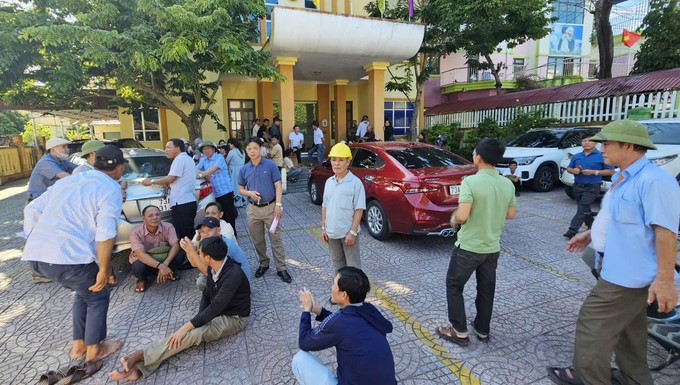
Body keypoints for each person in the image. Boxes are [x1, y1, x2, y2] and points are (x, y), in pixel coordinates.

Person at [547, 120, 680, 385]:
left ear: (629, 145)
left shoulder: (655, 181)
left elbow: (666, 233)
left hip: (629, 275)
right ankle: (635, 379)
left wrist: (665, 281)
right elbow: (616, 218)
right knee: (629, 330)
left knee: (592, 322)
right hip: (616, 267)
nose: (601, 148)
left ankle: (589, 377)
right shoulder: (623, 175)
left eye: (607, 144)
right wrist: (591, 235)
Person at [23, 145, 126, 368]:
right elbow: (106, 232)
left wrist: (37, 240)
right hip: (69, 257)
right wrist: (104, 269)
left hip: (38, 256)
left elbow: (31, 209)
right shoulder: (110, 188)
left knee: (84, 291)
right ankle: (94, 351)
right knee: (98, 294)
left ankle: (78, 346)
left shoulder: (68, 181)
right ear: (119, 168)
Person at [108, 236, 250, 382]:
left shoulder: (233, 275)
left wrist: (187, 327)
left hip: (234, 318)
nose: (197, 256)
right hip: (221, 310)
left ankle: (140, 355)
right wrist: (197, 319)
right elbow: (207, 294)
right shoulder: (215, 267)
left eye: (199, 253)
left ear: (208, 257)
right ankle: (138, 370)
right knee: (190, 331)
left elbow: (215, 307)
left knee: (192, 334)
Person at [437, 138, 516, 346]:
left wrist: (453, 219)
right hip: (492, 247)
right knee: (486, 289)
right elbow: (510, 214)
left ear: (478, 158)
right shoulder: (507, 183)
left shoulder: (470, 182)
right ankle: (482, 329)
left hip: (469, 247)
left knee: (454, 285)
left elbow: (462, 216)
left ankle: (459, 330)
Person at [292, 267, 397, 385]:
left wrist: (306, 311)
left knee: (299, 359)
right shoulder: (369, 310)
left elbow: (304, 342)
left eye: (334, 284)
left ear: (344, 295)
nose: (331, 287)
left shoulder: (340, 322)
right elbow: (343, 324)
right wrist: (316, 310)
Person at [238, 137, 291, 283]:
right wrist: (249, 193)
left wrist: (278, 205)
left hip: (270, 208)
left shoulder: (270, 165)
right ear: (246, 150)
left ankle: (281, 268)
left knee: (276, 238)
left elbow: (278, 186)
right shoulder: (244, 169)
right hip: (253, 210)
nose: (252, 151)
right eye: (249, 148)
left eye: (255, 148)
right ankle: (264, 263)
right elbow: (240, 189)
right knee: (258, 240)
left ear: (261, 149)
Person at [321, 143, 366, 272]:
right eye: (333, 160)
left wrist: (352, 232)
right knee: (338, 267)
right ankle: (340, 291)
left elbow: (359, 209)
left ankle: (355, 292)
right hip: (331, 234)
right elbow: (324, 206)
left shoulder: (355, 183)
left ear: (348, 162)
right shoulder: (329, 182)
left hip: (348, 234)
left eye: (341, 160)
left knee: (353, 268)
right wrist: (323, 228)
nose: (336, 163)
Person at [142, 139, 197, 241]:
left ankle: (191, 256)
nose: (166, 150)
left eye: (168, 147)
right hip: (187, 201)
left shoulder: (179, 159)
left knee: (185, 235)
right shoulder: (187, 159)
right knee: (188, 233)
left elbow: (170, 178)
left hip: (182, 203)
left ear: (177, 148)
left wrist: (152, 181)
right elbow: (177, 180)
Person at [562, 137, 616, 239]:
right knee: (584, 209)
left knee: (582, 208)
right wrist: (573, 171)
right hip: (577, 186)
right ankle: (592, 225)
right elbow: (569, 168)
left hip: (592, 186)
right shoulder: (577, 156)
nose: (586, 143)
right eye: (584, 141)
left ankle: (572, 230)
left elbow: (611, 171)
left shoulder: (602, 156)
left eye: (589, 140)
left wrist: (594, 172)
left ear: (596, 143)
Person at [180, 216, 251, 292]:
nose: (205, 234)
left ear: (218, 230)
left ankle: (221, 299)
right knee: (202, 278)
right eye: (202, 231)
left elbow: (207, 272)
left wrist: (192, 252)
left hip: (241, 286)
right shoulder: (209, 242)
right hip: (230, 278)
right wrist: (188, 249)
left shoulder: (223, 246)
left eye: (209, 230)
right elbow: (194, 264)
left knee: (202, 281)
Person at [128, 205, 189, 293]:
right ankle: (142, 279)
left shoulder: (168, 226)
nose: (155, 218)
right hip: (148, 263)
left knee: (180, 254)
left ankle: (168, 271)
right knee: (137, 266)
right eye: (150, 215)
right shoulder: (135, 232)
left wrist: (165, 264)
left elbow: (175, 246)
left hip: (165, 260)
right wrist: (160, 266)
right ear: (143, 218)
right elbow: (140, 254)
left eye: (157, 214)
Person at [195, 140, 238, 237]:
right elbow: (195, 168)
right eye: (204, 149)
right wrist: (204, 175)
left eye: (209, 148)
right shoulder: (204, 159)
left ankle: (233, 236)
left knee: (229, 216)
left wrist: (202, 174)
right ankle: (222, 235)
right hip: (214, 193)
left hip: (225, 191)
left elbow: (213, 169)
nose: (207, 151)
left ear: (213, 149)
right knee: (219, 216)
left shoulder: (219, 157)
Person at [27, 137, 77, 202]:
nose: (67, 149)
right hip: (39, 200)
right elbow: (63, 175)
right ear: (53, 149)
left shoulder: (61, 160)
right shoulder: (46, 162)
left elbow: (78, 168)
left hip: (50, 197)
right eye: (63, 147)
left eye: (66, 147)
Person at [226, 138, 246, 207]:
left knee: (235, 186)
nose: (229, 146)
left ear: (232, 144)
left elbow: (227, 161)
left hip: (234, 170)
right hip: (242, 169)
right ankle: (243, 200)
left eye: (230, 144)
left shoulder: (232, 152)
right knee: (242, 185)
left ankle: (236, 203)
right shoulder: (242, 151)